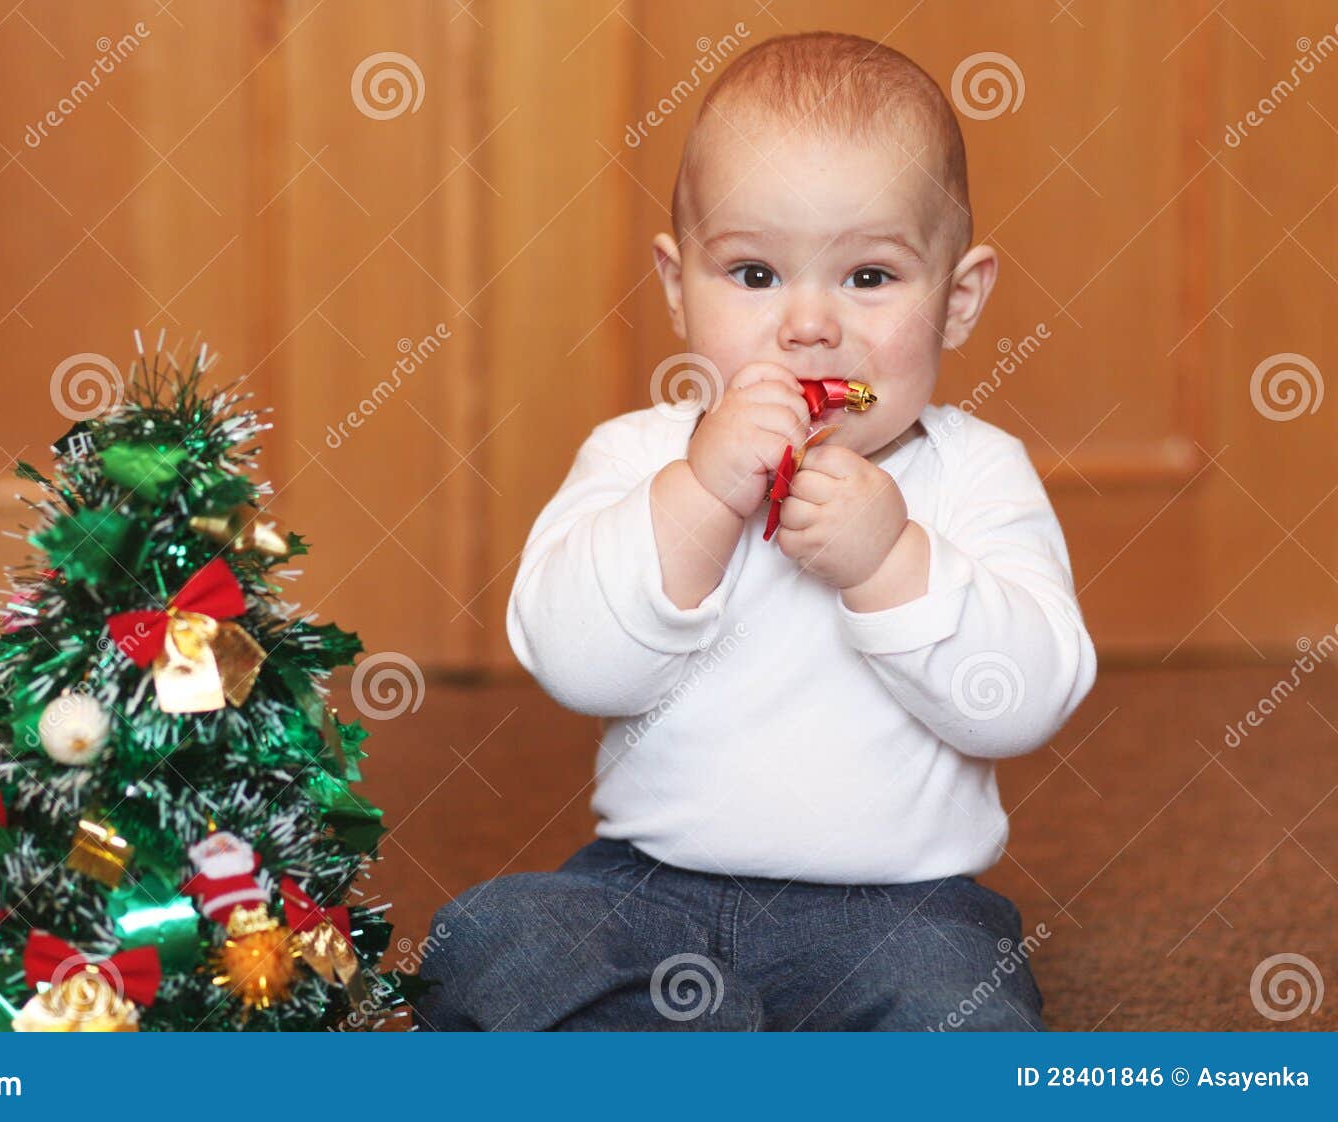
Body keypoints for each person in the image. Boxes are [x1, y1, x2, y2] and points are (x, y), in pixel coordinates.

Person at [414, 30, 1095, 1031]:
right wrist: (699, 497)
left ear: (959, 301)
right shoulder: (635, 456)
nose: (808, 325)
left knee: (960, 1005)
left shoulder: (974, 474)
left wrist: (889, 561)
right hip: (645, 889)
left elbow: (1023, 700)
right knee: (487, 942)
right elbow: (575, 663)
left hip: (896, 912)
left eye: (868, 277)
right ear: (676, 285)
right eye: (753, 274)